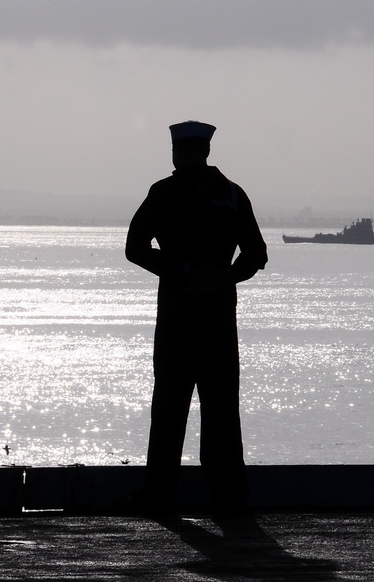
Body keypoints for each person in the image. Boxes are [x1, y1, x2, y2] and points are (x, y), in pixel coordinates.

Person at [125, 120, 268, 514]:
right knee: (222, 409)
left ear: (176, 152)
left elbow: (134, 248)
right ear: (206, 151)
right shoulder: (232, 194)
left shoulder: (165, 193)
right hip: (220, 318)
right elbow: (256, 254)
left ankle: (157, 494)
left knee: (169, 408)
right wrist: (224, 276)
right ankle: (229, 498)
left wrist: (180, 271)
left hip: (176, 317)